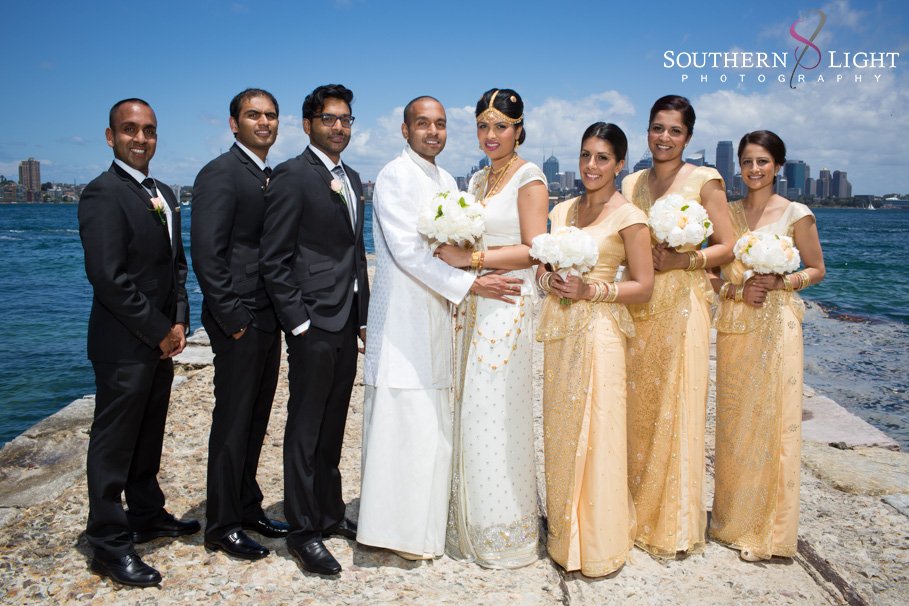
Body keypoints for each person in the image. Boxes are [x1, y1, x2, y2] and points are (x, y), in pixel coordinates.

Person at [357, 96, 522, 561]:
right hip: (404, 315)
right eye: (423, 124)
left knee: (432, 419)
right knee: (401, 416)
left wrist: (467, 273)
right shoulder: (393, 176)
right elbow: (408, 251)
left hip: (440, 314)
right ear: (405, 129)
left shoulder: (447, 180)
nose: (433, 132)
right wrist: (470, 284)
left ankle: (427, 528)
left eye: (441, 124)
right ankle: (391, 531)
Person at [78, 98, 198, 587]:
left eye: (148, 130)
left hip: (160, 340)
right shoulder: (101, 194)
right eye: (130, 130)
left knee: (149, 434)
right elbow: (107, 277)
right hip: (122, 343)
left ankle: (147, 514)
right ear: (111, 137)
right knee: (113, 444)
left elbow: (177, 266)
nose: (141, 138)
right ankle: (107, 542)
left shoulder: (164, 193)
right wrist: (158, 329)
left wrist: (182, 321)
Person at [259, 84, 369, 576]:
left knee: (332, 426)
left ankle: (328, 511)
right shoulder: (291, 177)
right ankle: (304, 531)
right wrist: (298, 322)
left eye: (345, 119)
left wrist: (362, 314)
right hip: (312, 323)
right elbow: (274, 259)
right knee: (305, 428)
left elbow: (351, 252)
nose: (339, 127)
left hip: (345, 320)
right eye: (329, 119)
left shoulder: (353, 178)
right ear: (308, 125)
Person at [436, 88, 548, 568]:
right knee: (470, 407)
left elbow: (534, 247)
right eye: (483, 125)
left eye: (501, 126)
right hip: (476, 303)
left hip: (508, 305)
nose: (491, 135)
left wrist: (472, 259)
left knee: (497, 410)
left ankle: (505, 527)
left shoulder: (530, 178)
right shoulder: (480, 179)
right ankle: (467, 518)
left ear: (519, 129)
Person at [620, 95, 734, 558]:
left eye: (674, 131)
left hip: (684, 305)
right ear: (647, 131)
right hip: (638, 306)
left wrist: (687, 260)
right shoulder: (630, 183)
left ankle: (673, 524)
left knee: (678, 406)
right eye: (656, 128)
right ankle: (631, 513)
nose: (663, 138)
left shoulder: (705, 181)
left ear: (688, 137)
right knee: (639, 408)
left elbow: (729, 246)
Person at [537, 122, 653, 576]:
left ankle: (600, 541)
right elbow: (541, 271)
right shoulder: (562, 210)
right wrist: (552, 281)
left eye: (603, 158)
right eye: (586, 155)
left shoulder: (631, 217)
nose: (591, 165)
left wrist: (592, 291)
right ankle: (566, 534)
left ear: (620, 164)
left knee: (599, 429)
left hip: (602, 331)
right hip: (561, 329)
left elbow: (643, 287)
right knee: (562, 427)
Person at [709, 130, 825, 561]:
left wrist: (783, 282)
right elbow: (712, 274)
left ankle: (769, 530)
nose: (753, 169)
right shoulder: (727, 214)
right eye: (746, 162)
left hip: (777, 328)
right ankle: (731, 520)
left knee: (772, 423)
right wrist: (738, 292)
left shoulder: (797, 214)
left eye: (762, 161)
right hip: (737, 328)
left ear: (778, 165)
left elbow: (817, 269)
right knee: (735, 425)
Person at [191, 88, 288, 561]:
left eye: (270, 116)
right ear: (234, 124)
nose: (263, 123)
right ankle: (221, 524)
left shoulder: (268, 174)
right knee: (231, 422)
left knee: (255, 417)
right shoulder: (220, 174)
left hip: (269, 317)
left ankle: (247, 506)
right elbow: (207, 255)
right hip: (241, 319)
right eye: (253, 115)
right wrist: (233, 320)